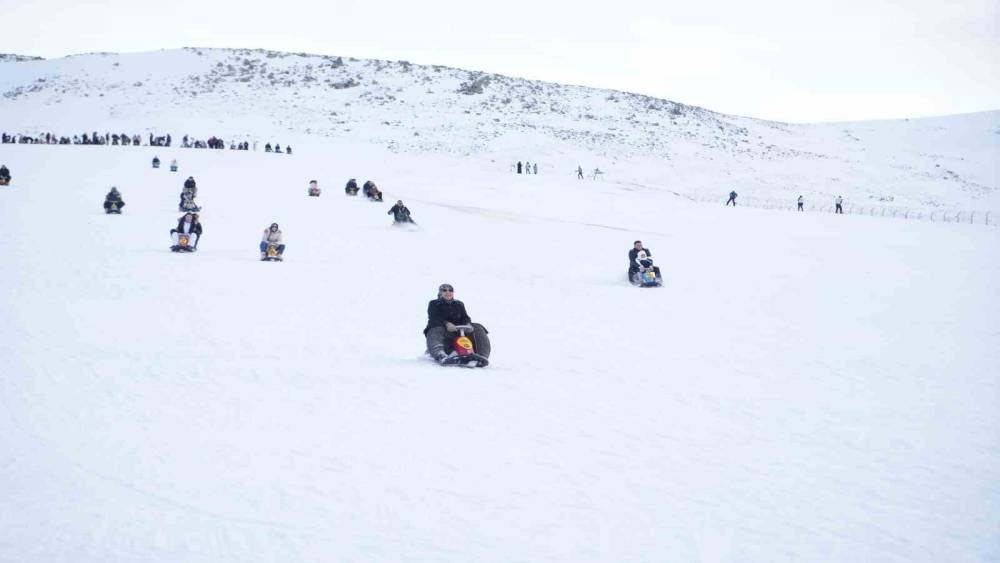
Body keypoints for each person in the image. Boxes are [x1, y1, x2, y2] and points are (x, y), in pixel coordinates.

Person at [424, 283, 472, 362]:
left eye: (450, 290)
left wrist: (468, 324)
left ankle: (480, 354)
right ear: (440, 293)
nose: (448, 292)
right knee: (435, 326)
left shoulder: (459, 304)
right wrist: (446, 323)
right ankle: (440, 355)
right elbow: (434, 317)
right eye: (444, 290)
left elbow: (465, 317)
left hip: (456, 332)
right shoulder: (434, 304)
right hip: (440, 333)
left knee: (477, 327)